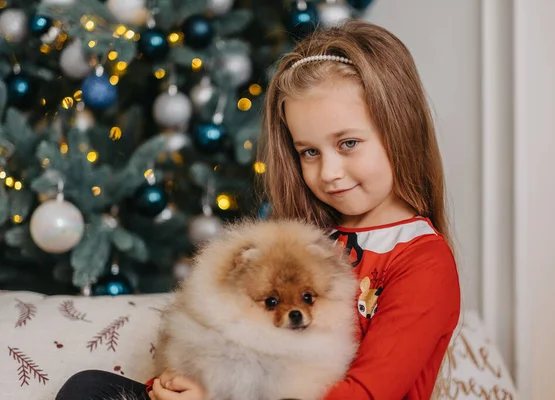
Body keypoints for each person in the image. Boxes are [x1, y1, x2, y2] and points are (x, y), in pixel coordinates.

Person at [55, 19, 460, 400]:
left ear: (400, 129)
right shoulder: (300, 241)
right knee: (90, 389)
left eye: (348, 143)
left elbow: (367, 394)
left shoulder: (422, 261)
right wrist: (171, 386)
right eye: (309, 152)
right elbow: (223, 340)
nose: (330, 172)